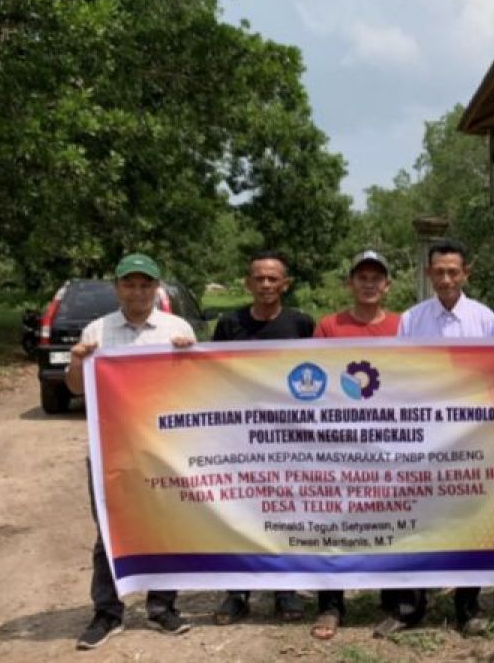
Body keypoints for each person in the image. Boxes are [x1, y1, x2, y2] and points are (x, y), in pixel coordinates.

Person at [66, 253, 197, 651]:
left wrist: (190, 356)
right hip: (113, 449)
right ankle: (107, 612)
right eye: (129, 284)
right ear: (117, 287)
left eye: (145, 284)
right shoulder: (98, 330)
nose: (137, 291)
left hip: (162, 447)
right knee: (110, 529)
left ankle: (162, 607)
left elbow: (198, 388)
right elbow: (75, 389)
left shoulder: (177, 328)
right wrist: (76, 361)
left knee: (163, 524)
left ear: (157, 287)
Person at [377, 239, 494, 639]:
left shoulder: (485, 320)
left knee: (468, 518)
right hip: (424, 438)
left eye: (453, 271)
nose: (446, 279)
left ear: (466, 273)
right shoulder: (412, 320)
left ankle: (467, 607)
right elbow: (401, 375)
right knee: (419, 518)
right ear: (429, 274)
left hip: (468, 437)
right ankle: (411, 606)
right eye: (439, 272)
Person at [210, 252, 315, 626]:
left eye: (274, 279)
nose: (266, 285)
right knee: (240, 512)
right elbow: (210, 374)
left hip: (288, 437)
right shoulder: (229, 324)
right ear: (248, 283)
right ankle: (236, 593)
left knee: (284, 512)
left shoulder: (301, 324)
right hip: (240, 436)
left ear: (285, 283)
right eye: (260, 278)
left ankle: (285, 589)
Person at [309, 249, 399, 640]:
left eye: (376, 277)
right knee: (335, 520)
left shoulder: (403, 325)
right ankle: (330, 605)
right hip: (340, 442)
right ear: (351, 283)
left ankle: (394, 598)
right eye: (361, 276)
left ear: (387, 285)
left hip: (390, 442)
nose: (368, 283)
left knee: (392, 516)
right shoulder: (329, 326)